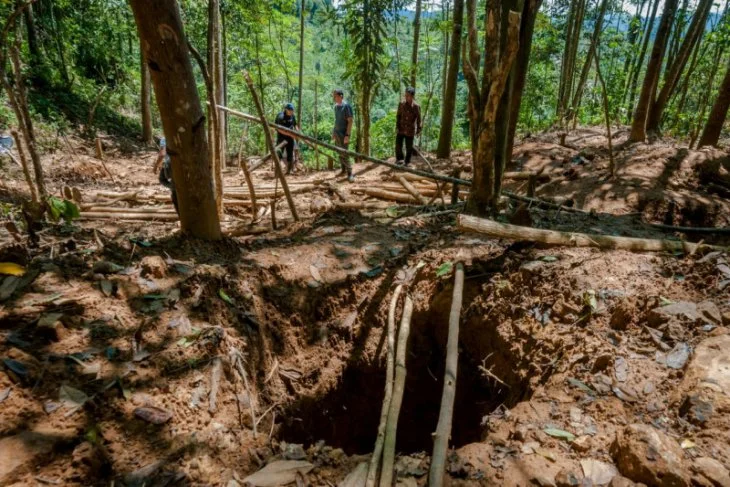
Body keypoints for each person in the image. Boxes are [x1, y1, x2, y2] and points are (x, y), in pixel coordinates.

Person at [331, 88, 354, 182]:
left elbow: (350, 121)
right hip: (337, 133)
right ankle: (343, 169)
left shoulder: (346, 106)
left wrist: (347, 135)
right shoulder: (336, 106)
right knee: (339, 152)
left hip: (344, 133)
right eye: (333, 96)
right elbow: (336, 120)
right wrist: (333, 132)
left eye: (335, 96)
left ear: (340, 96)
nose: (334, 97)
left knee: (344, 153)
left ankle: (350, 173)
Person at [395, 87, 422, 166]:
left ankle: (407, 162)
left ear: (412, 96)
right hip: (401, 128)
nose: (406, 97)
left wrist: (419, 129)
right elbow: (398, 115)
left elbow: (419, 119)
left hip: (410, 130)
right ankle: (400, 159)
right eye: (405, 95)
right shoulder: (401, 104)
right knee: (398, 145)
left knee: (409, 147)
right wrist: (397, 126)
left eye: (408, 96)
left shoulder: (416, 107)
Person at [153, 137, 179, 214]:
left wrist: (155, 166)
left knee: (162, 179)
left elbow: (162, 154)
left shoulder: (165, 138)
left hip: (171, 166)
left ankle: (174, 188)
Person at [274, 103, 299, 175]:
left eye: (292, 110)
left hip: (290, 139)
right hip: (281, 138)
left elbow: (295, 125)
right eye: (290, 110)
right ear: (286, 109)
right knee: (279, 154)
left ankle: (289, 170)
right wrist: (290, 134)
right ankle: (277, 171)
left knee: (290, 154)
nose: (291, 112)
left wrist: (298, 132)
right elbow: (279, 129)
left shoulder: (292, 116)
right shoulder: (280, 117)